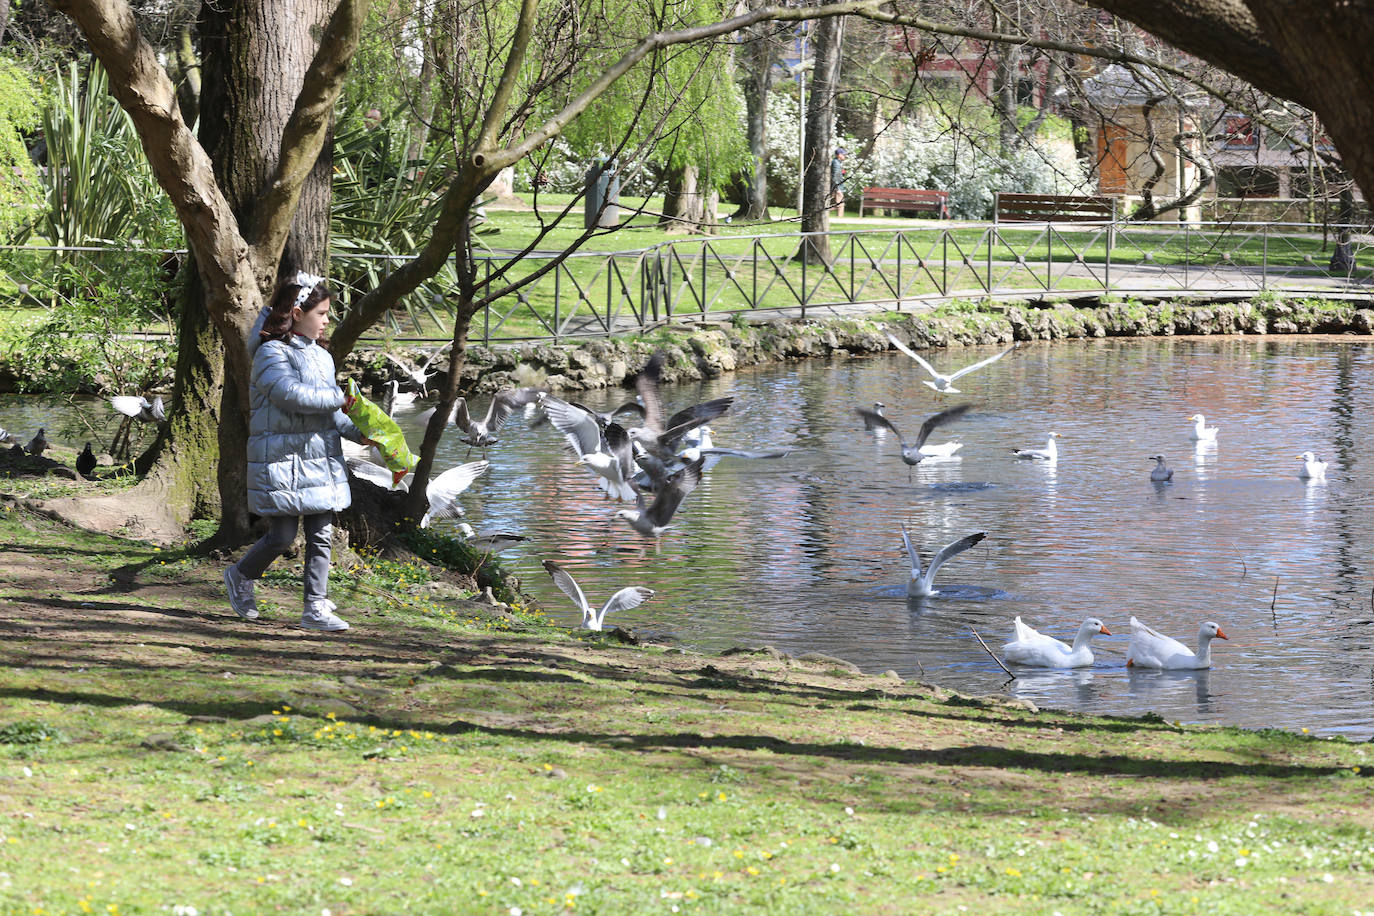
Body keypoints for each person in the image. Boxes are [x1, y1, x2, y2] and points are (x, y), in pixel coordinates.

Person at [223, 272, 367, 631]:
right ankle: (240, 575)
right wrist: (341, 398)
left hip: (319, 459)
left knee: (321, 535)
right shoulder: (271, 353)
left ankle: (314, 608)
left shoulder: (321, 356)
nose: (327, 321)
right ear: (298, 312)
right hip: (283, 461)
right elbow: (289, 394)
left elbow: (331, 411)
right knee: (282, 537)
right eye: (321, 313)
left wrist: (360, 431)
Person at [830, 147, 848, 217]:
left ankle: (839, 218)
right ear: (839, 155)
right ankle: (839, 218)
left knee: (839, 204)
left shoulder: (838, 162)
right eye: (843, 154)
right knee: (840, 204)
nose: (844, 156)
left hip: (838, 186)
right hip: (837, 187)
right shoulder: (836, 163)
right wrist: (837, 188)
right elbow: (835, 176)